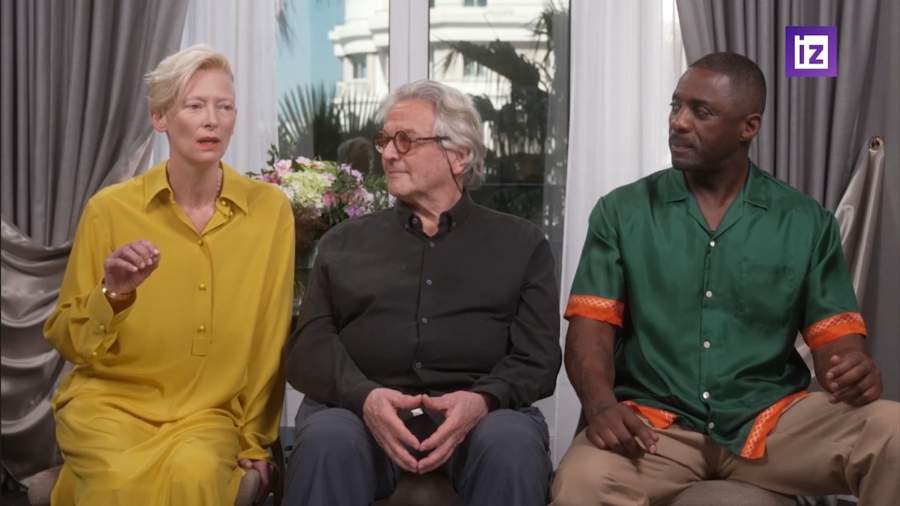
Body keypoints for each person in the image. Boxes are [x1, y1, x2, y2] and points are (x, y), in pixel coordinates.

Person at [551, 52, 899, 505]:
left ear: (748, 127)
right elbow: (590, 332)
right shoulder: (621, 212)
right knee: (581, 481)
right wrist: (600, 405)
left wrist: (853, 371)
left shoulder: (805, 221)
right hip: (657, 430)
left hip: (772, 425)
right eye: (675, 106)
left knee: (892, 431)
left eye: (701, 111)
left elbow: (837, 345)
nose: (678, 121)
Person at [284, 79, 561, 506]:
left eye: (406, 141)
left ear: (459, 155)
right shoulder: (343, 243)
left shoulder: (522, 244)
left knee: (512, 444)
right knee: (327, 439)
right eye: (385, 140)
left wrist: (483, 400)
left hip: (482, 416)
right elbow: (309, 348)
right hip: (359, 413)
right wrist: (365, 397)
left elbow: (537, 358)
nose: (388, 153)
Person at [43, 45, 294, 505]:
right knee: (117, 480)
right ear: (159, 118)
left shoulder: (270, 211)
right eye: (194, 106)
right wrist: (112, 294)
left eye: (224, 107)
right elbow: (68, 341)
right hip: (108, 407)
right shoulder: (108, 209)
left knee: (195, 474)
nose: (212, 120)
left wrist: (255, 439)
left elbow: (269, 338)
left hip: (207, 415)